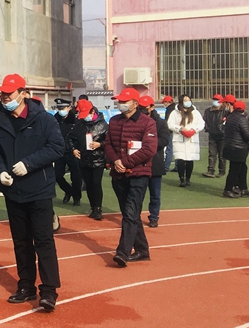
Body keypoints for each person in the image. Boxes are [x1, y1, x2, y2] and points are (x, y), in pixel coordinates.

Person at [0, 74, 65, 312]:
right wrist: (0, 170)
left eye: (9, 94)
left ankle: (49, 290)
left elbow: (57, 147)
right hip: (13, 191)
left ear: (23, 93)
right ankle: (26, 286)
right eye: (2, 94)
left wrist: (29, 164)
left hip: (39, 189)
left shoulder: (44, 119)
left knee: (43, 241)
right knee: (21, 242)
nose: (5, 98)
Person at [104, 88, 158, 267]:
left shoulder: (148, 123)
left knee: (130, 213)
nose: (120, 104)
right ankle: (142, 250)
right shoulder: (114, 121)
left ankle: (123, 252)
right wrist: (116, 161)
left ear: (135, 104)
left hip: (139, 174)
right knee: (131, 214)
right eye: (119, 101)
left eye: (124, 101)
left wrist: (125, 162)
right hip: (118, 174)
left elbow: (149, 149)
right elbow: (108, 144)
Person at [67, 99, 107, 221]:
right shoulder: (80, 125)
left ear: (93, 111)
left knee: (96, 183)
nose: (85, 117)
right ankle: (93, 207)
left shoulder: (103, 125)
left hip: (98, 159)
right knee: (88, 184)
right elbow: (69, 138)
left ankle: (98, 208)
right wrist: (73, 149)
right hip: (84, 159)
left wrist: (100, 144)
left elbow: (110, 141)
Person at [139, 96, 171, 228]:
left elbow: (164, 141)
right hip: (139, 163)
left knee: (155, 194)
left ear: (152, 107)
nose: (142, 110)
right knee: (137, 193)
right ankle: (134, 216)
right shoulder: (136, 121)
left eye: (145, 108)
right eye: (140, 108)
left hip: (155, 163)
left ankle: (153, 217)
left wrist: (149, 143)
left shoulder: (161, 123)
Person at [167, 94, 204, 187]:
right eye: (185, 100)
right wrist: (179, 129)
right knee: (181, 160)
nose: (188, 102)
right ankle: (181, 179)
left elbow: (201, 123)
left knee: (190, 160)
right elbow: (170, 124)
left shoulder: (195, 112)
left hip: (191, 139)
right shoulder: (175, 113)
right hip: (179, 139)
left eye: (189, 100)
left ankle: (188, 179)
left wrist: (194, 130)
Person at [54, 97, 82, 208]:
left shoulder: (75, 121)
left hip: (72, 151)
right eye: (59, 108)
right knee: (57, 175)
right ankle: (69, 191)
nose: (61, 110)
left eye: (63, 108)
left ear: (69, 108)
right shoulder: (55, 119)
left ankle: (77, 198)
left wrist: (75, 148)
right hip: (59, 151)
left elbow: (79, 137)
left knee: (76, 177)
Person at [223, 100, 249, 198]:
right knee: (235, 170)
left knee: (242, 168)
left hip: (230, 146)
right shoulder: (242, 119)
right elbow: (248, 135)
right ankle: (228, 189)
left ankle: (243, 188)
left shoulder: (230, 117)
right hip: (238, 148)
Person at [202, 93, 227, 179]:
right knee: (212, 154)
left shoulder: (225, 111)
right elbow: (204, 121)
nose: (215, 101)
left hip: (223, 136)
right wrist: (208, 129)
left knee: (222, 155)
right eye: (214, 99)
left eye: (217, 100)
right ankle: (210, 170)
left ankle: (222, 171)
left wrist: (224, 131)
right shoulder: (208, 111)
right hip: (212, 135)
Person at [162, 95, 176, 173]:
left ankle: (166, 166)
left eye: (164, 102)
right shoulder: (176, 109)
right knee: (176, 149)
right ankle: (177, 166)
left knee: (169, 149)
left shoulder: (169, 110)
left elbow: (167, 122)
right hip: (176, 131)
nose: (164, 104)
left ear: (167, 102)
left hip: (170, 131)